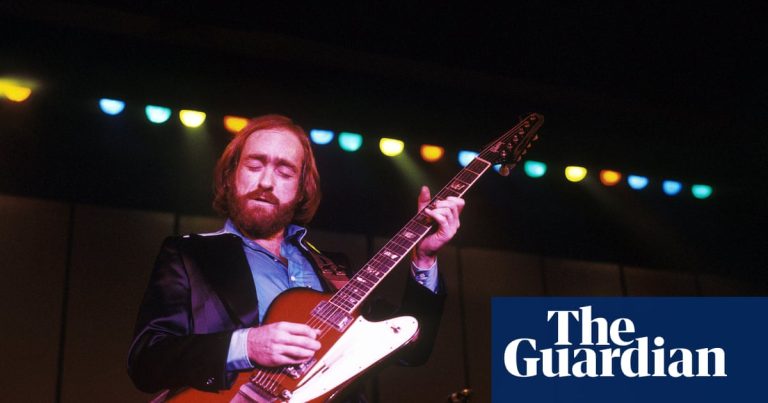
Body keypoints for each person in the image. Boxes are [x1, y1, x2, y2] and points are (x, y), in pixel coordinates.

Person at [127, 114, 464, 400]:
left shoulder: (334, 269)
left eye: (285, 172)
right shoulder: (189, 254)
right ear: (231, 175)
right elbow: (146, 361)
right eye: (254, 165)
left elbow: (410, 349)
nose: (266, 181)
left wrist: (424, 259)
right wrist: (248, 345)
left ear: (302, 189)